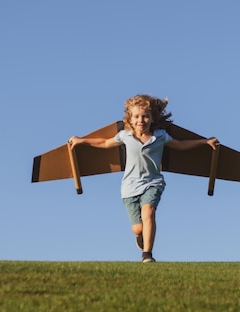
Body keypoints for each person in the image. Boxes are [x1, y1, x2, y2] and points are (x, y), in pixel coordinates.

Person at [69, 94, 218, 263]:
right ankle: (142, 235)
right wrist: (81, 141)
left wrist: (204, 142)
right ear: (130, 119)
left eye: (146, 116)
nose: (141, 120)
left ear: (152, 118)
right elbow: (104, 143)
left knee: (149, 212)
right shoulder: (125, 136)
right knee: (138, 228)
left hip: (152, 183)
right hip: (129, 188)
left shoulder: (160, 136)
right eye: (137, 116)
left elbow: (181, 145)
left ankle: (147, 254)